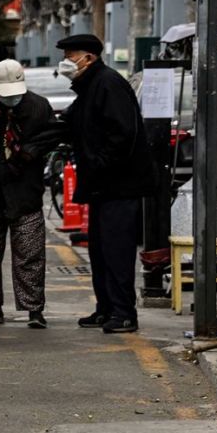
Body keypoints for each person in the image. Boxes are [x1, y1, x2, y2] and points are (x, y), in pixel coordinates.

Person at [53, 34, 156, 333]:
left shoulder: (108, 84)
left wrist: (98, 163)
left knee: (117, 250)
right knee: (99, 250)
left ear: (89, 58)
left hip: (119, 185)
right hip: (102, 186)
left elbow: (123, 134)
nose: (66, 63)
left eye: (71, 56)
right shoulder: (89, 87)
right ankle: (106, 308)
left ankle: (124, 313)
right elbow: (71, 123)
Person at [0, 59, 56, 329]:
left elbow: (52, 136)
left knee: (30, 255)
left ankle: (34, 309)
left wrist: (29, 153)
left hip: (26, 191)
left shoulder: (37, 106)